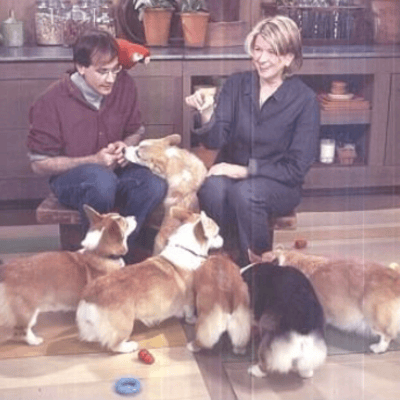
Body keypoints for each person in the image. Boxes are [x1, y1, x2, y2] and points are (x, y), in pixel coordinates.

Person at [185, 15, 320, 267]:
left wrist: (244, 171)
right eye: (258, 49)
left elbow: (295, 168)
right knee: (212, 188)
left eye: (272, 51)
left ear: (288, 58)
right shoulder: (237, 84)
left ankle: (258, 267)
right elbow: (215, 140)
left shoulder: (305, 100)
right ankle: (223, 258)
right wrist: (206, 112)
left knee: (247, 193)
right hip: (230, 174)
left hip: (279, 182)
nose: (261, 58)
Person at [27, 30, 167, 261]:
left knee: (153, 184)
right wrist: (94, 160)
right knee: (101, 182)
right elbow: (39, 164)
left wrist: (126, 146)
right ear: (81, 67)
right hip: (72, 177)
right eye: (102, 72)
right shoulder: (50, 101)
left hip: (115, 171)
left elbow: (135, 131)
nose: (111, 79)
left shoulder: (125, 85)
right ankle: (93, 260)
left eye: (115, 70)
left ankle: (122, 256)